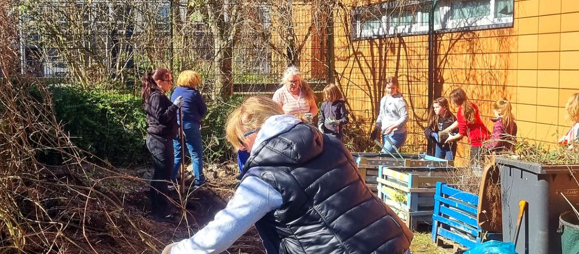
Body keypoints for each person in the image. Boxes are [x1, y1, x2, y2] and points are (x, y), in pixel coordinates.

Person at [161, 96, 414, 254]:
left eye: (241, 142)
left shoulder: (267, 175)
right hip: (391, 243)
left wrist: (177, 250)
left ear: (252, 130)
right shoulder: (329, 143)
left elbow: (222, 232)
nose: (242, 150)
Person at [142, 68, 182, 219]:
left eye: (172, 80)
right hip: (159, 141)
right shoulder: (156, 97)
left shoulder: (157, 95)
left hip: (161, 139)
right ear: (159, 82)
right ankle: (161, 211)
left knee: (160, 174)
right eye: (169, 81)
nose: (171, 83)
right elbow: (161, 118)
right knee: (163, 175)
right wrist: (174, 106)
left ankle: (155, 205)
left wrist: (176, 129)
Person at [170, 70, 208, 188]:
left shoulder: (175, 92)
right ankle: (199, 181)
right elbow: (203, 109)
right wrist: (199, 118)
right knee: (196, 153)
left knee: (178, 154)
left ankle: (170, 181)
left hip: (176, 125)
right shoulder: (194, 93)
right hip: (190, 125)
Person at [445, 87, 490, 163]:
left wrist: (450, 138)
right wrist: (447, 129)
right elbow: (460, 122)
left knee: (475, 167)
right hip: (486, 137)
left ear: (456, 100)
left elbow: (461, 134)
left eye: (452, 101)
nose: (452, 103)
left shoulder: (461, 112)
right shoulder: (472, 106)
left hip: (476, 141)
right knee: (483, 165)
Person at [375, 77, 409, 154]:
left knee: (384, 155)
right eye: (388, 88)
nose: (390, 90)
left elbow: (405, 117)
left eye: (393, 88)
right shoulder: (384, 99)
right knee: (389, 158)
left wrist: (393, 127)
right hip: (385, 133)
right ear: (385, 88)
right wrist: (377, 126)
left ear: (397, 87)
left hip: (397, 134)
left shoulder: (399, 101)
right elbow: (382, 114)